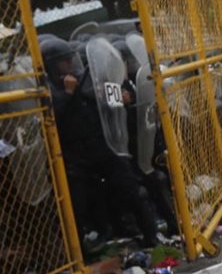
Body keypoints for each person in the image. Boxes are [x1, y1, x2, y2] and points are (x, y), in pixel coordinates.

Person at [41, 37, 162, 248]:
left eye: (71, 60)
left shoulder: (88, 79)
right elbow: (52, 116)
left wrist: (119, 97)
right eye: (64, 62)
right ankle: (80, 255)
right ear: (51, 65)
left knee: (131, 188)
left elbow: (114, 102)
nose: (70, 66)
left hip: (103, 145)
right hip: (74, 156)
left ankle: (151, 236)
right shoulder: (47, 88)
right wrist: (68, 94)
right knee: (76, 206)